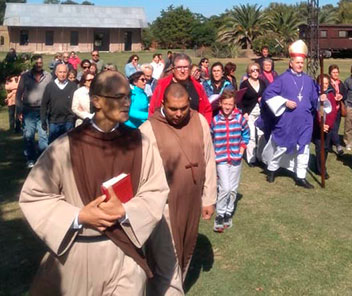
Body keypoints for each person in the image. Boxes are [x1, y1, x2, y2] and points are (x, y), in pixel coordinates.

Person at [19, 70, 169, 295]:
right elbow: (34, 196)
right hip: (80, 253)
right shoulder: (65, 147)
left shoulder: (141, 143)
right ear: (96, 101)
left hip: (126, 255)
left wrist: (126, 211)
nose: (127, 103)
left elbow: (156, 190)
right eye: (118, 97)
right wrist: (79, 216)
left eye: (128, 96)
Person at [141, 83, 216, 295]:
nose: (179, 113)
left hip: (192, 202)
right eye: (173, 108)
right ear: (162, 103)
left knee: (186, 249)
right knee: (169, 259)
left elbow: (209, 159)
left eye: (183, 108)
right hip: (165, 207)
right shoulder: (148, 129)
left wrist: (209, 198)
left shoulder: (199, 121)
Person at [257, 40, 318, 189]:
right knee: (282, 147)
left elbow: (314, 99)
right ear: (291, 63)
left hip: (305, 121)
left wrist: (320, 100)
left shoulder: (308, 80)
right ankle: (272, 169)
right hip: (288, 122)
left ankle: (300, 176)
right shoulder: (283, 79)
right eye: (297, 63)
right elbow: (268, 94)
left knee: (304, 149)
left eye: (302, 63)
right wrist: (284, 102)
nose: (300, 65)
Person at [210, 89, 249, 232]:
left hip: (236, 159)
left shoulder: (239, 119)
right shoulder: (215, 120)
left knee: (233, 189)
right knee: (225, 188)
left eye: (230, 104)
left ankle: (228, 212)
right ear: (220, 103)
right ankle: (220, 214)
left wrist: (242, 149)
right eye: (225, 104)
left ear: (234, 105)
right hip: (221, 158)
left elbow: (246, 134)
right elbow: (210, 137)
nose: (227, 107)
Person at [149, 53, 212, 124]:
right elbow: (153, 110)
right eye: (179, 67)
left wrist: (205, 126)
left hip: (193, 127)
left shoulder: (198, 87)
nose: (182, 71)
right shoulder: (162, 85)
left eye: (185, 67)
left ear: (190, 69)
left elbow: (207, 110)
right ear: (173, 69)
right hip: (167, 127)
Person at [16, 54, 53, 168]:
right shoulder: (25, 76)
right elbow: (19, 93)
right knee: (29, 135)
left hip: (43, 110)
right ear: (32, 64)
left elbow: (52, 93)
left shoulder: (48, 76)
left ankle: (42, 159)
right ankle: (30, 158)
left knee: (43, 136)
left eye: (40, 63)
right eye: (36, 63)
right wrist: (19, 110)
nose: (38, 65)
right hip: (28, 110)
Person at [238, 62, 268, 166]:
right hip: (249, 113)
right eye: (252, 70)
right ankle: (251, 159)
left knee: (261, 135)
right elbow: (240, 100)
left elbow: (266, 96)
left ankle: (260, 157)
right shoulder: (244, 84)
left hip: (261, 113)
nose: (255, 72)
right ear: (249, 72)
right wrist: (244, 112)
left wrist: (262, 99)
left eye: (257, 70)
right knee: (251, 136)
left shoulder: (262, 83)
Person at [41, 63, 77, 144]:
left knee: (67, 144)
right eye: (60, 72)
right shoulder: (50, 86)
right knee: (53, 145)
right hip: (54, 121)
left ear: (67, 73)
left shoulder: (73, 86)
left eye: (64, 72)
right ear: (56, 73)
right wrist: (43, 120)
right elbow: (44, 104)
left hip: (68, 120)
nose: (62, 74)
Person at [311, 74, 338, 179]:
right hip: (318, 126)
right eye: (322, 83)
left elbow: (333, 111)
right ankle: (321, 170)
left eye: (326, 83)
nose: (324, 86)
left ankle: (321, 165)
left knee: (325, 148)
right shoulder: (315, 94)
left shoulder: (330, 94)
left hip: (328, 127)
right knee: (320, 148)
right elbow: (316, 111)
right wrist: (321, 124)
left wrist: (328, 125)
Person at [327, 64, 346, 155]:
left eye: (337, 72)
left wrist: (341, 96)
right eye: (333, 72)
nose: (335, 74)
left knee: (336, 128)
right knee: (332, 128)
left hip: (338, 109)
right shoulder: (327, 83)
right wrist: (332, 98)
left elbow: (345, 94)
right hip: (330, 109)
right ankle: (338, 146)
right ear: (330, 73)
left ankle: (329, 145)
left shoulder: (340, 83)